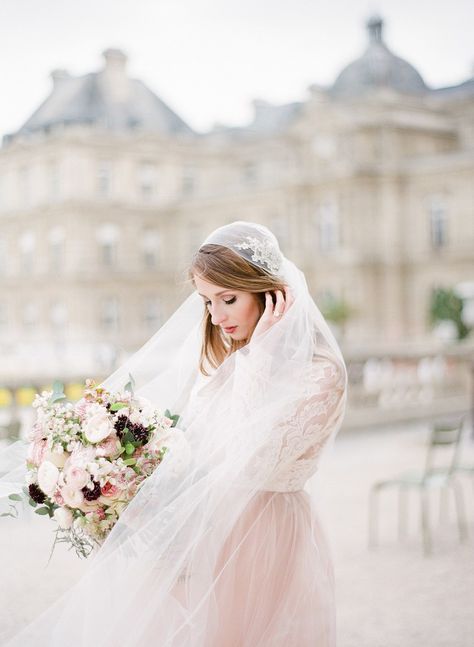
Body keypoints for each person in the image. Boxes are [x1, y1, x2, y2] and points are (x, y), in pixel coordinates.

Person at [0, 221, 347, 646]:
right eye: (207, 303)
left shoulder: (320, 373)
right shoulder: (229, 363)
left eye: (228, 299)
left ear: (270, 292)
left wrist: (263, 357)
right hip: (205, 529)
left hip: (265, 535)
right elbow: (197, 446)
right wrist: (132, 481)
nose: (216, 317)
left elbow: (251, 460)